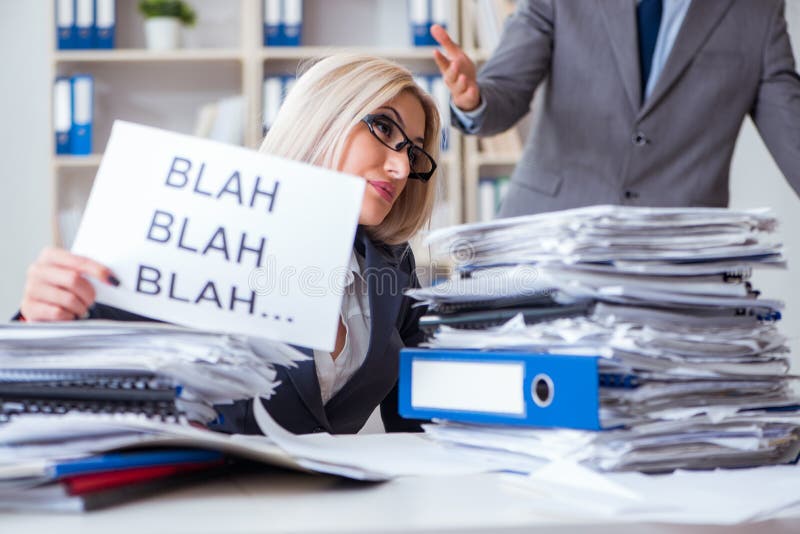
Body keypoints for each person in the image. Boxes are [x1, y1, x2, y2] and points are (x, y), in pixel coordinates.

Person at [17, 54, 441, 435]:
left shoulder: (392, 264)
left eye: (415, 151)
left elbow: (423, 421)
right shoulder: (202, 228)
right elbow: (59, 370)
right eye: (384, 127)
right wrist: (38, 321)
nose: (401, 166)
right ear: (323, 118)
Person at [431, 0, 800, 217]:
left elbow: (791, 131)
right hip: (548, 233)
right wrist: (474, 98)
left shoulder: (757, 12)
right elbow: (507, 89)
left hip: (676, 258)